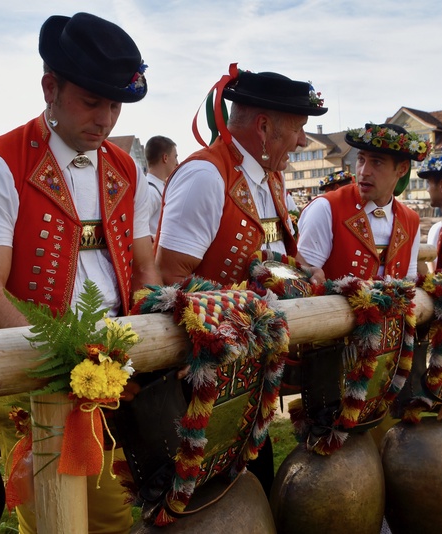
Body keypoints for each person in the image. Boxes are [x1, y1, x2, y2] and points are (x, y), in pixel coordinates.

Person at [0, 12, 158, 534]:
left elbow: (144, 263)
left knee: (101, 515)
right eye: (92, 102)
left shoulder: (125, 167)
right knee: (66, 516)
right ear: (50, 86)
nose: (107, 119)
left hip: (117, 375)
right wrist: (68, 363)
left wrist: (153, 328)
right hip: (35, 379)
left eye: (115, 105)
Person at [156, 66, 328, 495]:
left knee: (256, 483)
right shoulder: (205, 175)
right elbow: (167, 279)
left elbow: (273, 261)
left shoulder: (270, 177)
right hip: (203, 382)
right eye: (299, 129)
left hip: (250, 373)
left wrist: (305, 274)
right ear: (265, 128)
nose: (304, 141)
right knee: (208, 499)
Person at [297, 123, 430, 280]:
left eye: (377, 162)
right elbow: (302, 282)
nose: (363, 172)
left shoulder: (410, 220)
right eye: (361, 159)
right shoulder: (326, 208)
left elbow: (409, 283)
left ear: (402, 169)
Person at [144, 135, 178, 238]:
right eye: (175, 157)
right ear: (165, 158)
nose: (177, 163)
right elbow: (136, 229)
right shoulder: (150, 191)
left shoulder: (158, 187)